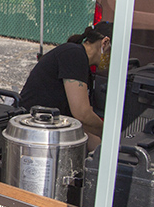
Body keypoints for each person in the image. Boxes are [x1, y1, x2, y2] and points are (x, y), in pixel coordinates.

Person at [20, 21, 112, 150]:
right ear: (105, 43)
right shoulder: (74, 55)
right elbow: (82, 114)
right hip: (35, 128)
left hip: (51, 127)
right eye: (113, 53)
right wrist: (110, 134)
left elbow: (81, 121)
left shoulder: (83, 64)